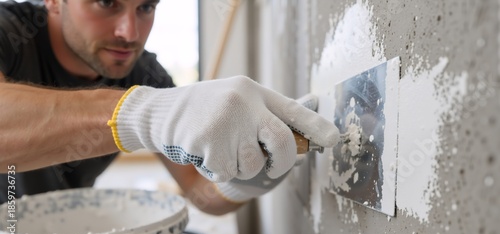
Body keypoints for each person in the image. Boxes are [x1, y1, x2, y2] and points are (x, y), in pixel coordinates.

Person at [0, 0, 339, 215]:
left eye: (145, 7)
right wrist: (141, 114)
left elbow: (199, 188)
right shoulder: (9, 32)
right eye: (106, 3)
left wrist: (250, 176)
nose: (129, 33)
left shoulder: (144, 75)